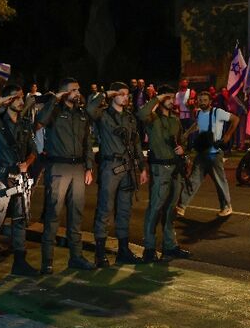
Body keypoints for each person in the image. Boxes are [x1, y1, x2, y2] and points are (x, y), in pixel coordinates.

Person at [0, 85, 40, 282]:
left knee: (20, 220)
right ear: (8, 101)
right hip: (4, 177)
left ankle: (19, 263)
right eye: (17, 98)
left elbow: (33, 150)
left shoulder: (24, 123)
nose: (21, 101)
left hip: (21, 177)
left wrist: (27, 163)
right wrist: (0, 100)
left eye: (21, 97)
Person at [35, 78, 95, 273]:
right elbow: (40, 121)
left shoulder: (82, 114)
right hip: (58, 167)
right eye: (74, 90)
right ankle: (47, 261)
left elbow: (87, 142)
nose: (78, 93)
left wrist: (88, 166)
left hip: (78, 168)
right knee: (53, 214)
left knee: (76, 215)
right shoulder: (54, 111)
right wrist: (55, 99)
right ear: (64, 93)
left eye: (78, 90)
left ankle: (76, 257)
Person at [86, 82, 148, 267]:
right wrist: (104, 94)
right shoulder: (103, 115)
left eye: (127, 94)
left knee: (124, 210)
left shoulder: (129, 118)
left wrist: (142, 167)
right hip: (110, 166)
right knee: (104, 209)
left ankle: (123, 250)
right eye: (121, 94)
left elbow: (136, 143)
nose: (125, 97)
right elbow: (89, 110)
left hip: (128, 168)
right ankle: (99, 253)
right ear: (114, 95)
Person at [137, 86, 192, 262]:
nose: (171, 100)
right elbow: (141, 113)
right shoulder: (153, 118)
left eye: (171, 97)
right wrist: (157, 98)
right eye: (168, 97)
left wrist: (184, 150)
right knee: (155, 208)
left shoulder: (176, 120)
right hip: (160, 169)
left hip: (175, 169)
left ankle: (170, 245)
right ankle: (149, 247)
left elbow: (183, 141)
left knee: (170, 210)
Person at [177, 91, 239, 217]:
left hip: (215, 154)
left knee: (220, 182)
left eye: (205, 100)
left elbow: (235, 119)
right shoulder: (199, 113)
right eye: (200, 100)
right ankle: (181, 206)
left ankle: (226, 206)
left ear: (210, 101)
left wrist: (227, 135)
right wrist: (187, 133)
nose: (202, 102)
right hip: (201, 154)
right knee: (193, 180)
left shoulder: (217, 112)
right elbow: (197, 125)